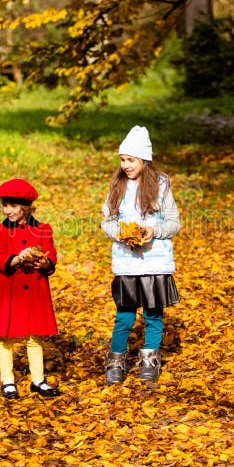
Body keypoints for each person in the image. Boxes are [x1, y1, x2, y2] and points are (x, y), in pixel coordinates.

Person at [101, 126, 181, 384]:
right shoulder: (117, 185)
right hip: (126, 264)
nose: (125, 165)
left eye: (131, 160)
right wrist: (121, 233)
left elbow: (173, 223)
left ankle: (149, 360)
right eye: (122, 159)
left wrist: (153, 230)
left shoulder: (161, 185)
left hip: (154, 262)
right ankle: (116, 361)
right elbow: (107, 222)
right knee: (124, 316)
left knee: (153, 315)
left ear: (144, 160)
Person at [0, 178, 61, 399]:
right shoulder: (1, 232)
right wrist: (16, 259)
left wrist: (45, 262)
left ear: (26, 207)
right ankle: (7, 381)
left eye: (13, 206)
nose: (8, 210)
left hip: (35, 288)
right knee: (6, 336)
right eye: (4, 205)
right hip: (10, 289)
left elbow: (51, 253)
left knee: (35, 336)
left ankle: (38, 380)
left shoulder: (43, 230)